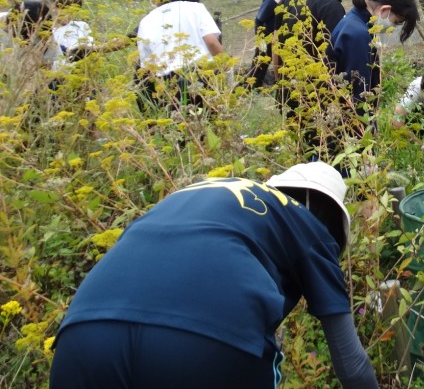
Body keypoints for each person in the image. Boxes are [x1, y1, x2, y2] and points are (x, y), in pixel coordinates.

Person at [49, 162, 379, 389]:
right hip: (203, 345)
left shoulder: (192, 196)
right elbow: (351, 365)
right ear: (329, 217)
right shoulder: (310, 227)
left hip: (83, 333)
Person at [325, 0, 419, 159]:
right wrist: (365, 141)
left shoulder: (355, 23)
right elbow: (358, 92)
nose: (392, 27)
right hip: (348, 129)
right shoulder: (357, 34)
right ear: (385, 10)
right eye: (396, 22)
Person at [135, 0, 223, 111]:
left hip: (170, 84)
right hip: (203, 77)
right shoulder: (196, 8)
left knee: (181, 128)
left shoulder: (146, 21)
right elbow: (212, 42)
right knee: (210, 125)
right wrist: (224, 69)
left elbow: (147, 66)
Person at [244, 0, 300, 89]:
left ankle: (282, 84)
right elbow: (259, 20)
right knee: (262, 60)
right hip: (267, 35)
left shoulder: (296, 3)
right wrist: (261, 40)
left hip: (284, 36)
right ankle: (251, 86)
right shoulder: (270, 1)